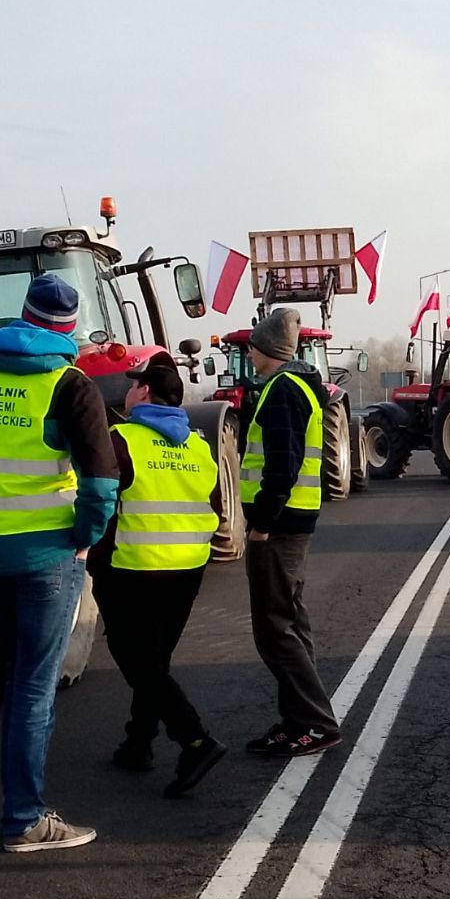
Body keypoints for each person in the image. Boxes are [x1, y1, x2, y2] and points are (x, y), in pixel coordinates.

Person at [0, 274, 119, 852]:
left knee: (18, 675)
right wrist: (85, 539)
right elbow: (101, 479)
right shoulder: (69, 384)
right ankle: (24, 817)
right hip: (49, 555)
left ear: (21, 316)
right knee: (33, 686)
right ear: (69, 329)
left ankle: (25, 806)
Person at [89, 354, 226, 797]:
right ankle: (138, 743)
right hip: (187, 568)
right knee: (155, 660)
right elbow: (215, 507)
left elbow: (101, 500)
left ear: (144, 392)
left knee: (138, 660)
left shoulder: (123, 439)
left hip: (133, 567)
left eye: (133, 386)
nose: (127, 392)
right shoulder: (198, 444)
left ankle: (195, 740)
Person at [240, 308, 340, 757]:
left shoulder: (282, 391)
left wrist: (261, 523)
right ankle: (297, 720)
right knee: (291, 623)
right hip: (293, 521)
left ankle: (316, 724)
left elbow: (282, 465)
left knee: (274, 629)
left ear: (265, 349)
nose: (248, 352)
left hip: (279, 527)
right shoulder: (298, 385)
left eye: (252, 345)